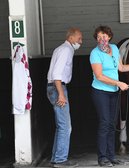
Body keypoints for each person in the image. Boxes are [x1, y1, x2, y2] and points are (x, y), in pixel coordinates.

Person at [89, 25, 129, 167]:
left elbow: (121, 68)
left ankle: (111, 156)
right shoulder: (95, 53)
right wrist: (119, 83)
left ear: (109, 37)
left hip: (114, 92)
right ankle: (102, 158)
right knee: (104, 124)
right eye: (98, 37)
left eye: (104, 36)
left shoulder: (115, 49)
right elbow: (99, 76)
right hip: (100, 92)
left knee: (111, 125)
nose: (101, 39)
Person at [47, 28, 82, 168]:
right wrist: (61, 93)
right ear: (71, 38)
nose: (81, 41)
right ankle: (61, 160)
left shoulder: (61, 49)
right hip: (58, 88)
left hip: (54, 88)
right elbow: (57, 74)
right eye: (79, 38)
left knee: (61, 125)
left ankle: (56, 158)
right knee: (65, 126)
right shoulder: (66, 50)